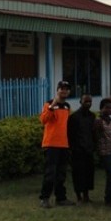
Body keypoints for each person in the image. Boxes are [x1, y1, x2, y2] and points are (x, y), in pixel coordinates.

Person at [38, 80, 76, 208]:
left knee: (61, 173)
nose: (64, 91)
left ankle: (61, 198)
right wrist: (52, 106)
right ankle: (44, 198)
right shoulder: (49, 104)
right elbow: (43, 120)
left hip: (63, 144)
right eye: (62, 88)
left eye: (66, 89)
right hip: (51, 143)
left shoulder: (67, 107)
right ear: (57, 90)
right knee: (50, 173)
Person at [68, 93, 96, 203]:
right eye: (86, 101)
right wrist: (73, 148)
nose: (88, 103)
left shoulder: (92, 116)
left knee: (89, 173)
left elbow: (93, 133)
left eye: (90, 101)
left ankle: (86, 196)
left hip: (88, 149)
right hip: (78, 151)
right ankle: (78, 196)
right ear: (81, 102)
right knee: (78, 173)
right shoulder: (74, 117)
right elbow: (70, 134)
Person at [95, 96, 111, 206]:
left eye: (110, 108)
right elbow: (96, 136)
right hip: (105, 152)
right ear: (101, 108)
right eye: (106, 108)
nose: (109, 110)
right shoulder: (98, 121)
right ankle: (108, 198)